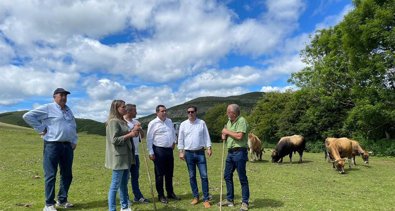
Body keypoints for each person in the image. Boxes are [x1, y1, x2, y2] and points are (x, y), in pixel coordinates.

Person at [23, 88, 78, 211]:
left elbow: (73, 125)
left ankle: (62, 200)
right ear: (54, 96)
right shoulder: (48, 107)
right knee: (51, 174)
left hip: (67, 146)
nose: (64, 97)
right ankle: (49, 204)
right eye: (61, 95)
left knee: (67, 174)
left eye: (65, 95)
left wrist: (74, 141)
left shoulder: (68, 110)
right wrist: (41, 128)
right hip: (52, 145)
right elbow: (28, 116)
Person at [105, 100, 140, 211]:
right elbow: (114, 140)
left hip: (126, 157)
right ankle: (112, 209)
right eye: (123, 107)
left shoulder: (122, 121)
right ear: (116, 109)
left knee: (124, 184)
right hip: (119, 158)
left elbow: (125, 134)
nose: (125, 109)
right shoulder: (113, 122)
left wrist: (134, 130)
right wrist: (130, 134)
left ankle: (124, 207)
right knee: (115, 185)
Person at [177, 106, 212, 208]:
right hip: (189, 153)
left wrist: (209, 147)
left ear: (196, 112)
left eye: (192, 112)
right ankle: (196, 197)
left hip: (200, 152)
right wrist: (180, 151)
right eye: (188, 112)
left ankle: (206, 199)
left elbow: (206, 136)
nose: (190, 113)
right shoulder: (183, 124)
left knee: (204, 176)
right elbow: (180, 138)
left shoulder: (201, 123)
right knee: (192, 176)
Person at [218, 104, 250, 211]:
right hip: (230, 152)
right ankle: (229, 199)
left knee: (242, 178)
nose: (227, 114)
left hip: (240, 152)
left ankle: (245, 202)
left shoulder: (242, 121)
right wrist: (224, 135)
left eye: (228, 112)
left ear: (234, 113)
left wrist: (226, 132)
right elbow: (228, 134)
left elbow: (239, 136)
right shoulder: (228, 121)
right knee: (227, 176)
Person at [146, 105, 180, 204]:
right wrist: (151, 152)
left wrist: (174, 141)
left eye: (165, 111)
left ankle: (170, 193)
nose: (164, 112)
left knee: (169, 173)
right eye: (162, 111)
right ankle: (161, 195)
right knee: (160, 174)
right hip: (158, 150)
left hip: (169, 150)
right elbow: (149, 139)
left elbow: (173, 132)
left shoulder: (169, 121)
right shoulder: (153, 123)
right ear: (157, 112)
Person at [123, 104, 150, 204]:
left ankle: (138, 196)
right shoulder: (122, 122)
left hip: (136, 154)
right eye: (135, 111)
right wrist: (132, 130)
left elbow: (142, 136)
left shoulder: (136, 122)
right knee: (125, 177)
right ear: (129, 111)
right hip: (125, 154)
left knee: (135, 176)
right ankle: (125, 198)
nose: (136, 113)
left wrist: (140, 129)